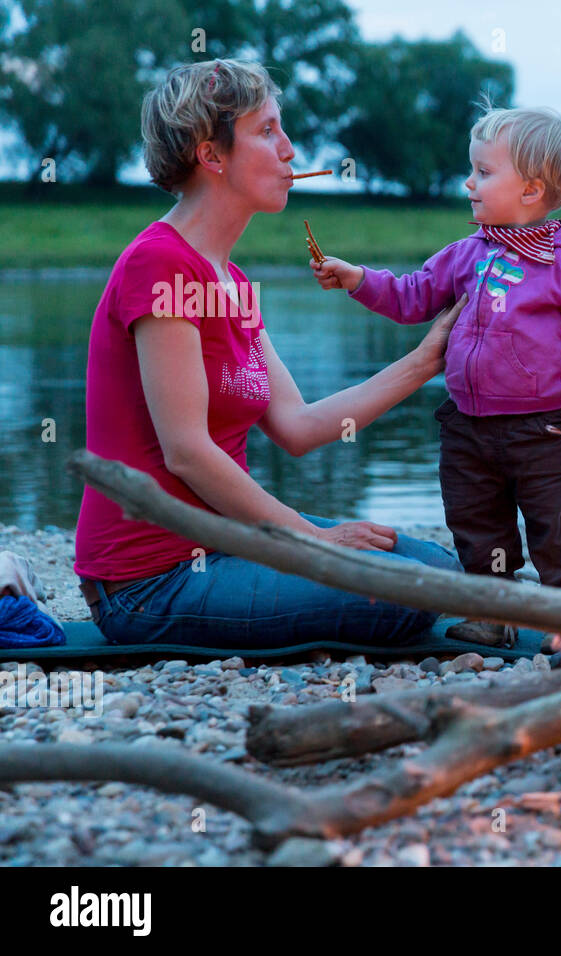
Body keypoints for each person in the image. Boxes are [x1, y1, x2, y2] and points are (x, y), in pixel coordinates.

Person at [73, 58, 467, 649]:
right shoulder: (160, 264)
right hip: (150, 582)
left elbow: (298, 426)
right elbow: (187, 454)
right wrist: (312, 539)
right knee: (408, 590)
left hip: (231, 545)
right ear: (212, 155)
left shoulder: (230, 278)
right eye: (267, 131)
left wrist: (424, 359)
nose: (290, 150)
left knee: (435, 566)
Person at [312, 98, 561, 639]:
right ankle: (493, 612)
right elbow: (412, 296)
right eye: (472, 170)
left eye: (484, 172)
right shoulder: (465, 254)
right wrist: (358, 279)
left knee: (554, 526)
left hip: (541, 429)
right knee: (475, 520)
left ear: (531, 190)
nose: (468, 183)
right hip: (465, 424)